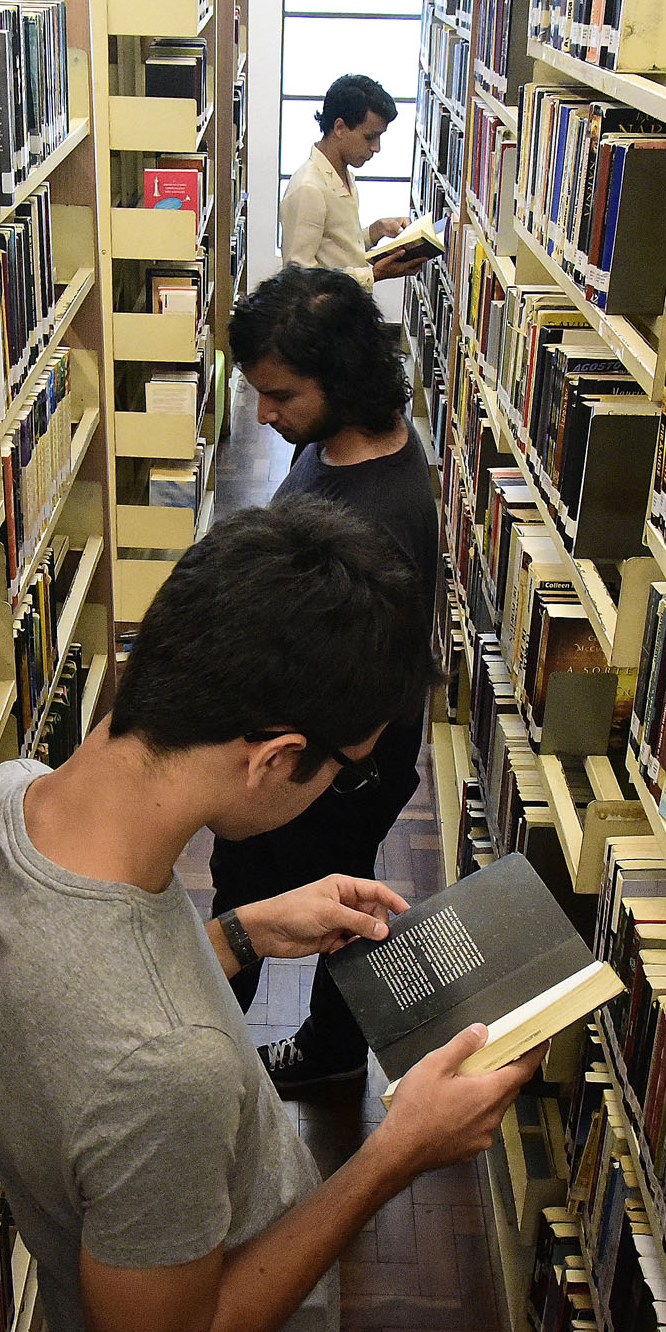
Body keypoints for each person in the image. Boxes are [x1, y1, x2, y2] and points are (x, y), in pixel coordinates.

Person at [0, 498, 541, 1332]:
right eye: (343, 769)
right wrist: (393, 1155)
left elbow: (63, 1018)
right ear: (275, 759)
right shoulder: (167, 1070)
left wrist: (238, 936)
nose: (340, 789)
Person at [216, 266, 442, 1095]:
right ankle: (303, 1046)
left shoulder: (371, 519)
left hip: (332, 766)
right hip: (320, 755)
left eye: (280, 395)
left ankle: (254, 1056)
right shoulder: (348, 438)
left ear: (337, 380)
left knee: (307, 903)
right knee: (298, 894)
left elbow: (363, 688)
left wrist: (283, 767)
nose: (265, 414)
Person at [279, 73, 415, 288]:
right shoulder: (308, 189)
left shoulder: (342, 174)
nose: (376, 147)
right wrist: (373, 274)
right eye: (370, 137)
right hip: (325, 319)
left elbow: (334, 250)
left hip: (347, 311)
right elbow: (299, 281)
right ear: (340, 127)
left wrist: (375, 231)